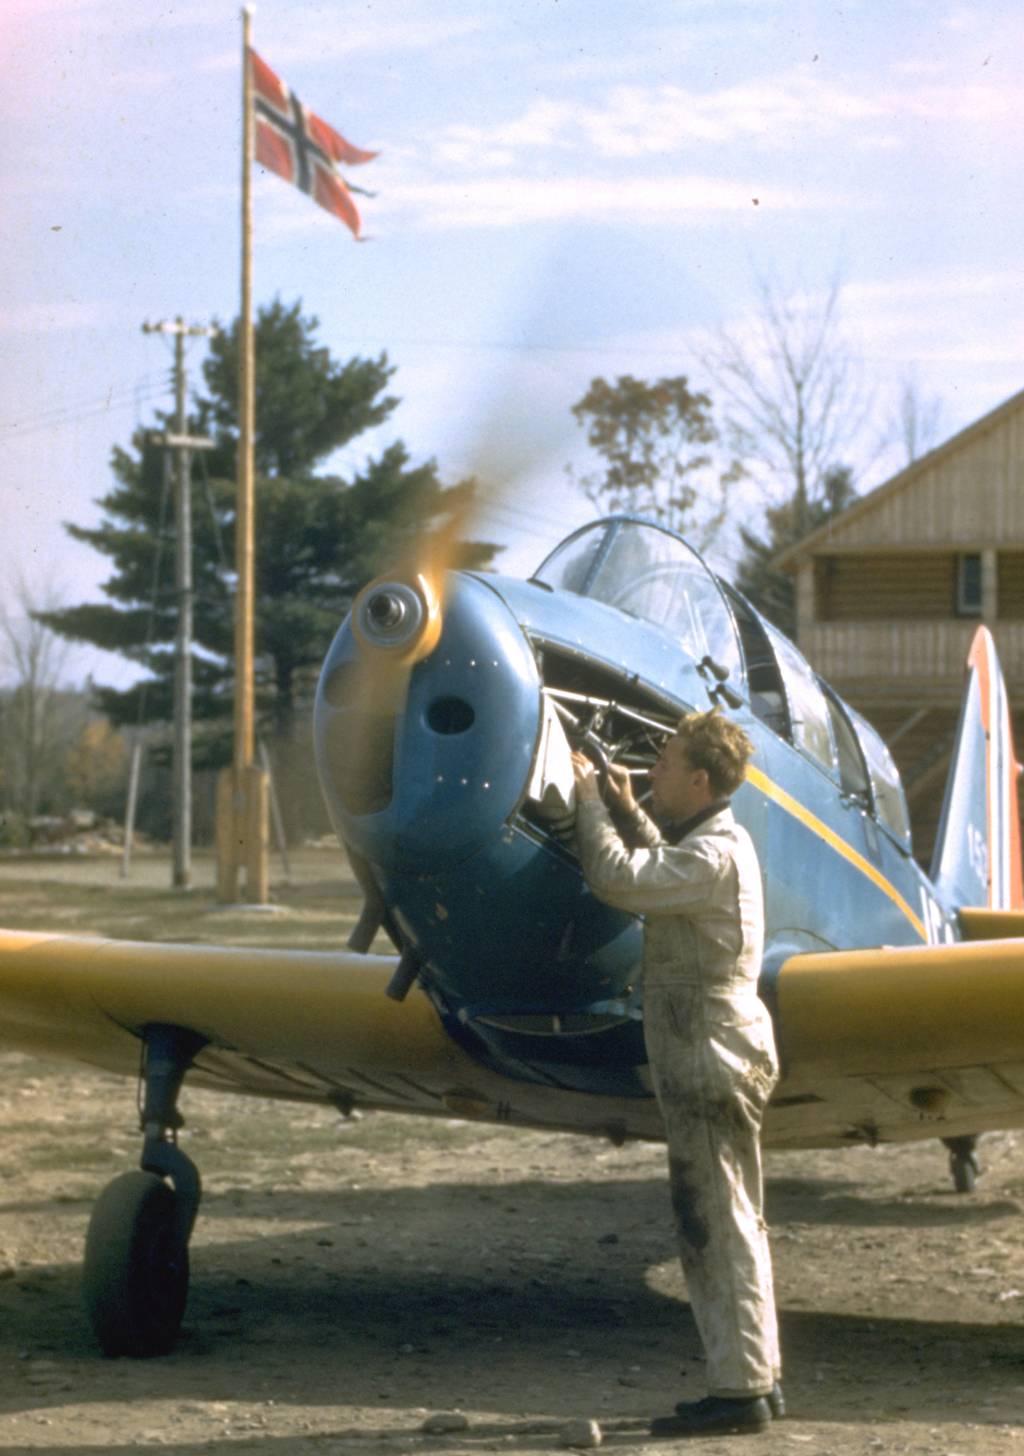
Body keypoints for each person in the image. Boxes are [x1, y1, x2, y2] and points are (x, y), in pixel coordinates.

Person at [571, 709, 782, 1439]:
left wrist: (590, 804)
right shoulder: (717, 846)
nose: (651, 769)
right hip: (718, 1045)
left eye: (663, 762)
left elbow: (619, 880)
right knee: (732, 1217)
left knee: (712, 1222)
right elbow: (665, 873)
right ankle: (756, 1376)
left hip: (707, 1051)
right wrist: (631, 809)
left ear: (699, 779)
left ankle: (740, 1390)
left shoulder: (714, 854)